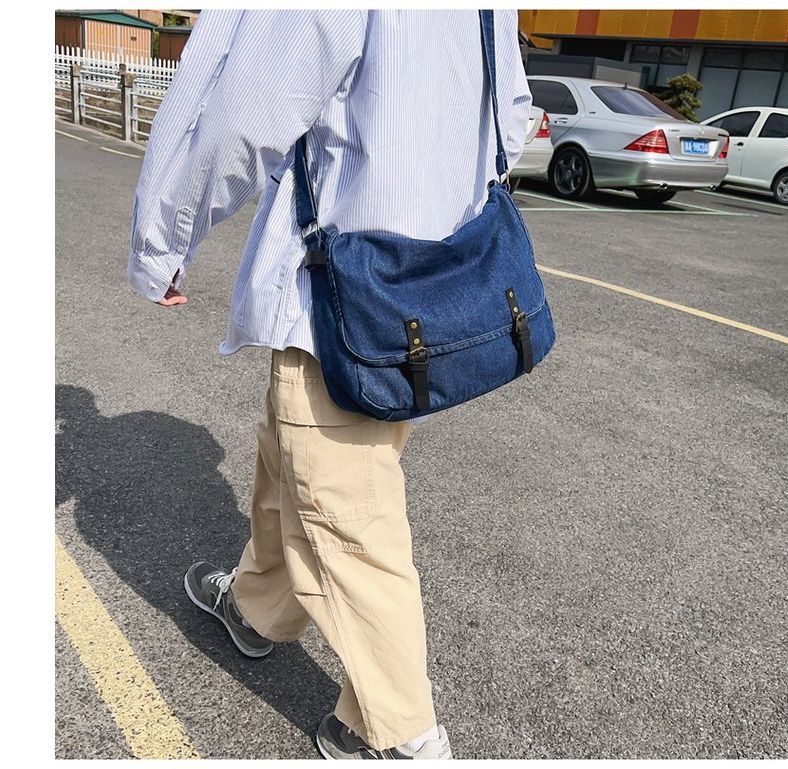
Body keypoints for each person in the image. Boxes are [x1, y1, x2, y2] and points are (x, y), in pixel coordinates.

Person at [128, 9, 531, 760]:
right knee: (289, 460)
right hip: (425, 285)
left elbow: (245, 110)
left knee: (347, 514)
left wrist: (163, 241)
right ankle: (258, 607)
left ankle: (399, 736)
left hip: (342, 291)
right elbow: (512, 111)